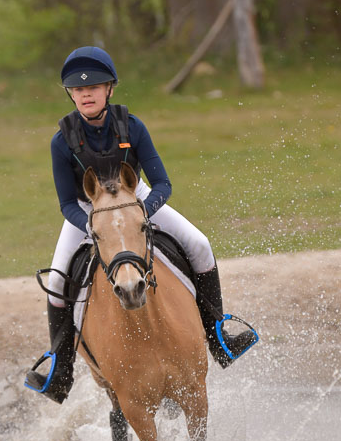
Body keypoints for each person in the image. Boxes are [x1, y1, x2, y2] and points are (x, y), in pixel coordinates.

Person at [25, 46, 256, 403]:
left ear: (110, 90)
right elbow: (67, 203)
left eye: (95, 87)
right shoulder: (61, 141)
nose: (86, 94)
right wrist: (94, 226)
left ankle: (218, 334)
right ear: (70, 94)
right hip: (89, 212)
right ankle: (60, 366)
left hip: (138, 201)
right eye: (78, 89)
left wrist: (139, 213)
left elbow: (163, 183)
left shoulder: (132, 126)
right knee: (57, 278)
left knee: (200, 244)